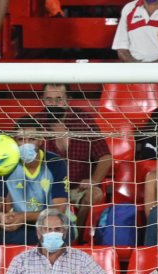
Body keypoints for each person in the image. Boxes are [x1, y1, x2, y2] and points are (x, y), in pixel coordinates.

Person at [0, 117, 70, 269]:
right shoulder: (6, 163)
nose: (26, 144)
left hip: (49, 223)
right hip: (17, 224)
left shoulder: (55, 163)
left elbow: (58, 210)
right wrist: (2, 217)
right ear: (15, 142)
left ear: (40, 140)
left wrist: (22, 217)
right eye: (21, 139)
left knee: (53, 227)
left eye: (31, 139)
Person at [40, 85, 112, 230]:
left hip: (78, 188)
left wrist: (93, 181)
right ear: (43, 100)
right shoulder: (37, 123)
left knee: (94, 194)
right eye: (49, 99)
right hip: (46, 189)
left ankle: (76, 235)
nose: (54, 103)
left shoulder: (83, 120)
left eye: (59, 99)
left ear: (68, 100)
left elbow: (105, 157)